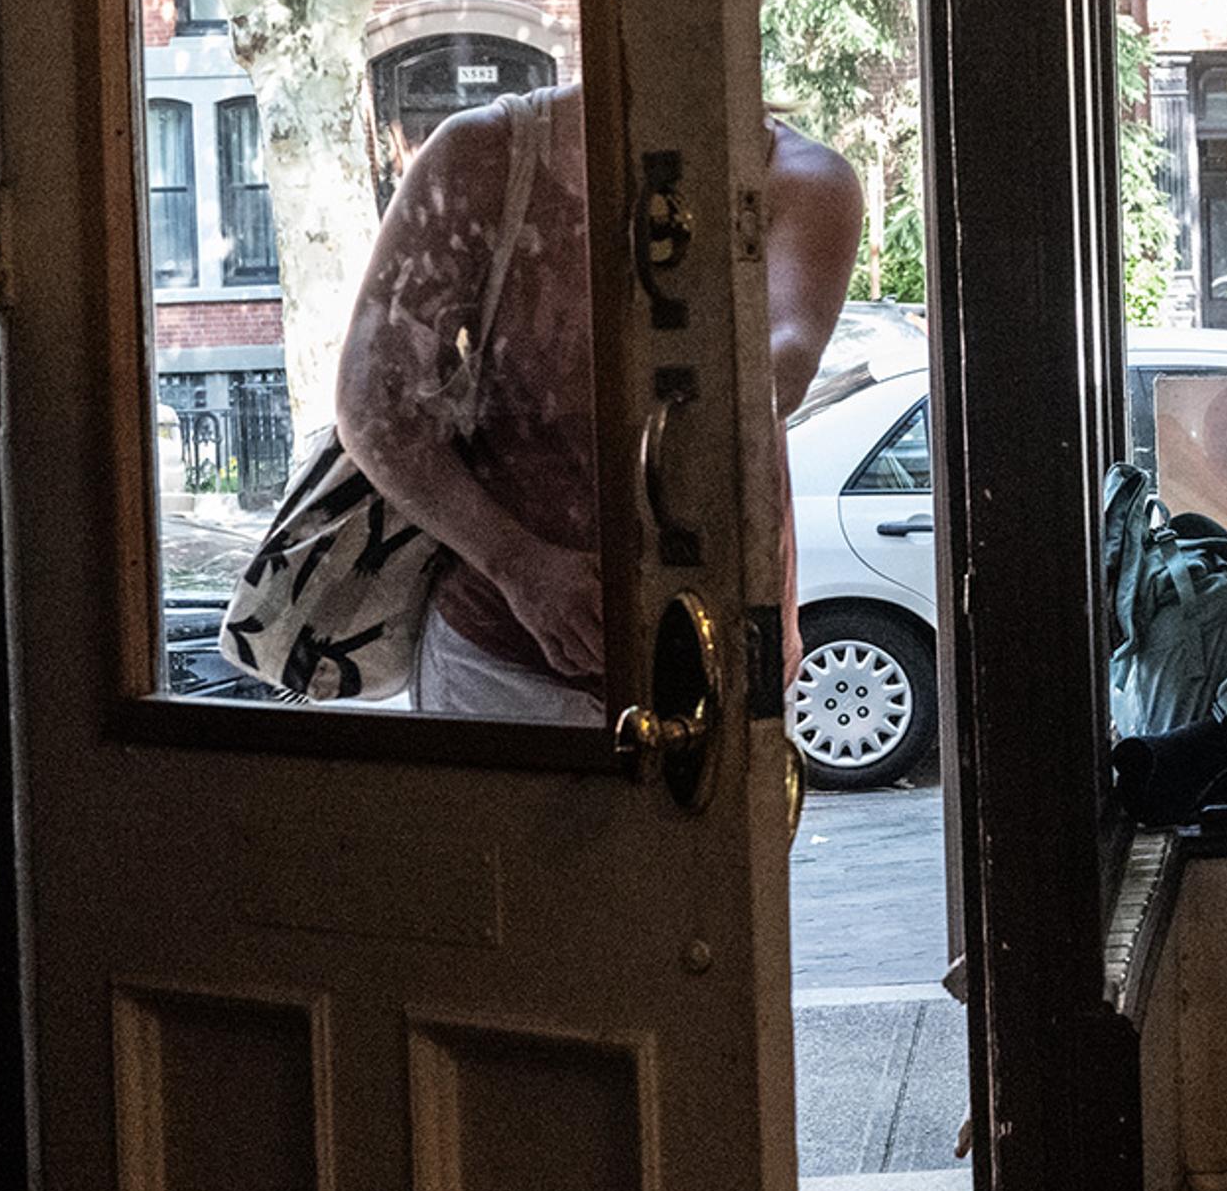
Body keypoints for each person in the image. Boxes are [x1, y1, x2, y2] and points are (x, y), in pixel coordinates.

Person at [335, 91, 862, 722]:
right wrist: (520, 565)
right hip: (502, 657)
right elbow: (372, 406)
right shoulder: (485, 156)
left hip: (716, 653)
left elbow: (780, 370)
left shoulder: (802, 180)